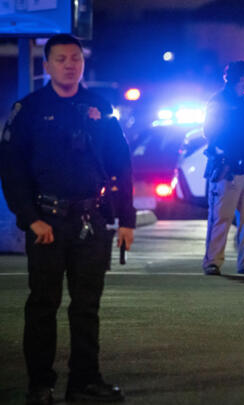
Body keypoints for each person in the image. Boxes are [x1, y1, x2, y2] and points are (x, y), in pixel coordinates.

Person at [0, 34, 134, 404]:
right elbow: (12, 171)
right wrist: (29, 219)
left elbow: (121, 165)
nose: (70, 64)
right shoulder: (27, 110)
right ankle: (40, 385)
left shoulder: (99, 106)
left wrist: (127, 219)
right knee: (43, 306)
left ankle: (84, 382)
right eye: (61, 59)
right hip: (47, 222)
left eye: (75, 58)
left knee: (87, 306)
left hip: (91, 221)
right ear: (46, 66)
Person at [202, 60, 244, 276]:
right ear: (241, 78)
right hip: (226, 168)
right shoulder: (218, 101)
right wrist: (230, 156)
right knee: (221, 217)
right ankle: (213, 261)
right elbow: (210, 133)